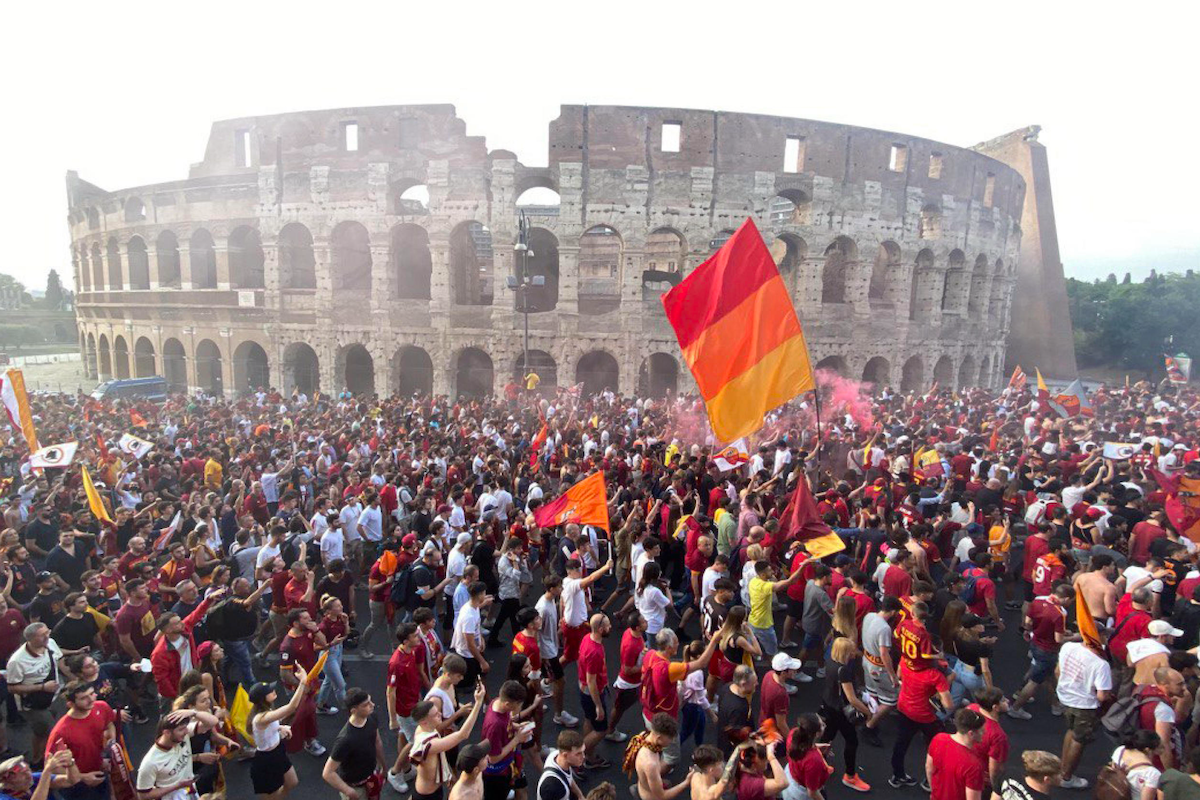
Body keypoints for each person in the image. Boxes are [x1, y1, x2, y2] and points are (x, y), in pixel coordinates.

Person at [410, 681, 488, 800]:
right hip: (427, 796)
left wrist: (447, 773)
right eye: (435, 714)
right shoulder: (430, 744)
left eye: (438, 711)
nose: (440, 714)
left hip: (433, 789)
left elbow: (439, 755)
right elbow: (463, 734)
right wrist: (478, 702)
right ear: (424, 722)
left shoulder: (425, 730)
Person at [1056, 634, 1113, 789]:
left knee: (1070, 731)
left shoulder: (1068, 647)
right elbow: (1102, 696)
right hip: (1086, 706)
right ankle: (1066, 777)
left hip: (1066, 698)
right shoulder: (1101, 664)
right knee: (1079, 740)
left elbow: (1058, 671)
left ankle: (1062, 767)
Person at [44, 681, 118, 800]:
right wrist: (83, 777)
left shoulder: (102, 707)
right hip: (77, 785)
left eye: (92, 694)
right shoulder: (60, 732)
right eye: (83, 698)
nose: (91, 700)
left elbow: (109, 725)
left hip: (100, 773)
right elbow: (52, 767)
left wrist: (108, 752)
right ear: (70, 704)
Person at [246, 673, 312, 799]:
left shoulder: (267, 711)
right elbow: (291, 707)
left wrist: (280, 728)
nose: (273, 691)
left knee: (292, 782)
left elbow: (270, 726)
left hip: (278, 752)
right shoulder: (260, 718)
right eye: (269, 691)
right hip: (267, 760)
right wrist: (303, 682)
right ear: (263, 698)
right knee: (271, 794)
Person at [6, 623, 64, 766]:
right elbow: (12, 688)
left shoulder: (50, 643)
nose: (47, 636)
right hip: (33, 706)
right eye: (42, 635)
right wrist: (42, 687)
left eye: (47, 632)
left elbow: (59, 659)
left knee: (41, 733)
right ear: (30, 639)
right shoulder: (17, 661)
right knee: (52, 732)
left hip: (52, 697)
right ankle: (40, 762)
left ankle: (38, 757)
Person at [819, 636, 871, 792]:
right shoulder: (843, 670)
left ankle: (819, 765)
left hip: (828, 703)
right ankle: (850, 776)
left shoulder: (830, 661)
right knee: (851, 741)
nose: (854, 654)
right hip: (840, 710)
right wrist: (868, 712)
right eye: (851, 651)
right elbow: (851, 698)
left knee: (827, 736)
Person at [136, 709, 216, 800]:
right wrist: (177, 786)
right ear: (167, 733)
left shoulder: (183, 736)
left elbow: (213, 722)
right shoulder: (150, 762)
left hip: (189, 791)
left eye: (186, 727)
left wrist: (194, 712)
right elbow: (143, 795)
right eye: (181, 729)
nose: (186, 731)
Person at [322, 688, 386, 800]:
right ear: (354, 711)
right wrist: (349, 791)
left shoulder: (372, 717)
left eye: (370, 701)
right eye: (366, 704)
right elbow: (328, 773)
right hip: (355, 786)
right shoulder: (345, 740)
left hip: (371, 776)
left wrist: (383, 766)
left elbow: (377, 742)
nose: (372, 705)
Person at [480, 680, 536, 800]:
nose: (520, 707)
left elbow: (506, 722)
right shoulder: (494, 725)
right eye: (519, 705)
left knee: (522, 789)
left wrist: (516, 726)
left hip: (510, 761)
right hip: (497, 774)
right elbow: (493, 759)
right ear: (507, 704)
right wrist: (517, 739)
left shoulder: (497, 702)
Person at [926, 708, 987, 800]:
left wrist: (934, 791)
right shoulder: (974, 765)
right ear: (971, 734)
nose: (984, 732)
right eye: (981, 730)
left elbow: (929, 768)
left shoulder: (939, 739)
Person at [577, 613, 613, 769]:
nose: (610, 627)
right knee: (601, 730)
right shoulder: (595, 652)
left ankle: (589, 757)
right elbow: (591, 681)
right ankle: (577, 756)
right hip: (591, 694)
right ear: (600, 629)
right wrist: (598, 705)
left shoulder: (587, 639)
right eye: (608, 625)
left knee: (589, 720)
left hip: (584, 689)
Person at [630, 713, 692, 800]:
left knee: (667, 783)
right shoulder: (651, 764)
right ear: (659, 738)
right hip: (651, 797)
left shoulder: (643, 737)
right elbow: (662, 796)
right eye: (670, 738)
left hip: (644, 785)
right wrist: (686, 782)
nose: (672, 741)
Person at [1110, 729, 1163, 800]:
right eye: (1160, 747)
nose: (1163, 749)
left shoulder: (1120, 750)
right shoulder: (1152, 773)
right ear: (1147, 750)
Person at [536, 730, 586, 800]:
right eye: (578, 754)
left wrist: (580, 795)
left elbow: (569, 777)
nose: (583, 756)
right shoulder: (553, 786)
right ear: (565, 755)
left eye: (583, 752)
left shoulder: (557, 755)